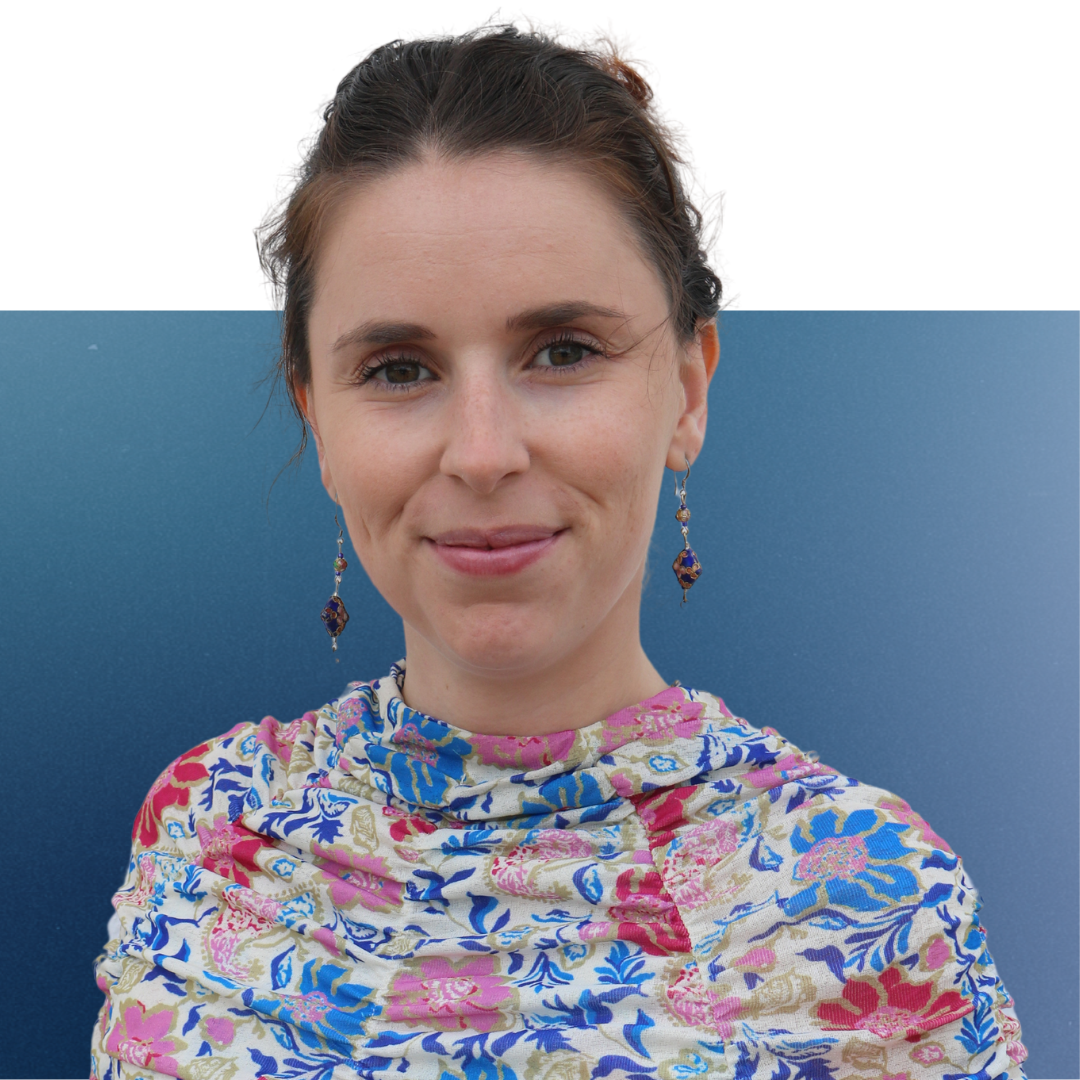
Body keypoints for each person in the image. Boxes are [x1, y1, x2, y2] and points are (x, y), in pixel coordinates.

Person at [91, 25, 1026, 1080]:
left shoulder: (875, 897)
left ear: (688, 390)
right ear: (320, 424)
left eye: (564, 352)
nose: (482, 452)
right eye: (398, 369)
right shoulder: (215, 831)